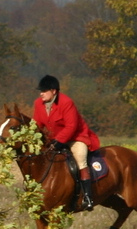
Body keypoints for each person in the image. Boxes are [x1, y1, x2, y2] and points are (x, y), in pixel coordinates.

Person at [32, 74, 100, 210]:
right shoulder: (38, 104)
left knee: (81, 160)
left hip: (75, 137)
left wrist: (59, 141)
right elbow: (37, 125)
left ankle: (87, 196)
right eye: (41, 91)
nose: (41, 94)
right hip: (54, 139)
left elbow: (71, 126)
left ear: (54, 91)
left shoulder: (66, 102)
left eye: (44, 91)